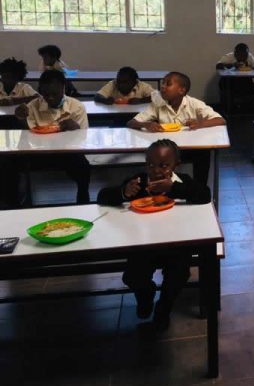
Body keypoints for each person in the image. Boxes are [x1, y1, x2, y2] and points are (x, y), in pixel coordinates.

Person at [97, 139, 211, 332]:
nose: (156, 171)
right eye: (150, 165)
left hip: (176, 244)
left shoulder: (182, 182)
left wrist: (173, 189)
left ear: (176, 165)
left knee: (178, 274)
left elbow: (204, 195)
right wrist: (123, 192)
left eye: (164, 165)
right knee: (132, 276)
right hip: (144, 243)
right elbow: (102, 196)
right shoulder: (139, 182)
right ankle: (146, 294)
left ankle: (162, 313)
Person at [128, 72, 225, 183]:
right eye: (163, 83)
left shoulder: (194, 104)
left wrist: (199, 124)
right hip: (166, 151)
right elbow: (131, 122)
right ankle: (159, 186)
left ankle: (199, 187)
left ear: (181, 90)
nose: (162, 86)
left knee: (203, 153)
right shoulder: (158, 105)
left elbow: (220, 120)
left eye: (168, 84)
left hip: (189, 149)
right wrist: (146, 124)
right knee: (155, 155)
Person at [13, 69, 91, 204]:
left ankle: (83, 197)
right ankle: (20, 200)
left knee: (84, 166)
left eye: (54, 94)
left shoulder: (76, 107)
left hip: (68, 153)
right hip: (40, 153)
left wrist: (76, 129)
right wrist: (21, 119)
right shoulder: (32, 106)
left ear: (63, 88)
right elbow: (29, 135)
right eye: (45, 94)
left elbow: (83, 139)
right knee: (15, 164)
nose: (49, 98)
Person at [216, 43, 254, 111]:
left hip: (243, 81)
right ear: (236, 53)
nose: (243, 58)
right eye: (241, 55)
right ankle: (229, 110)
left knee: (250, 87)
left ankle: (250, 109)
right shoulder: (229, 56)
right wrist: (233, 65)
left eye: (245, 55)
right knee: (228, 88)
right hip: (230, 81)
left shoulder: (249, 56)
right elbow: (218, 65)